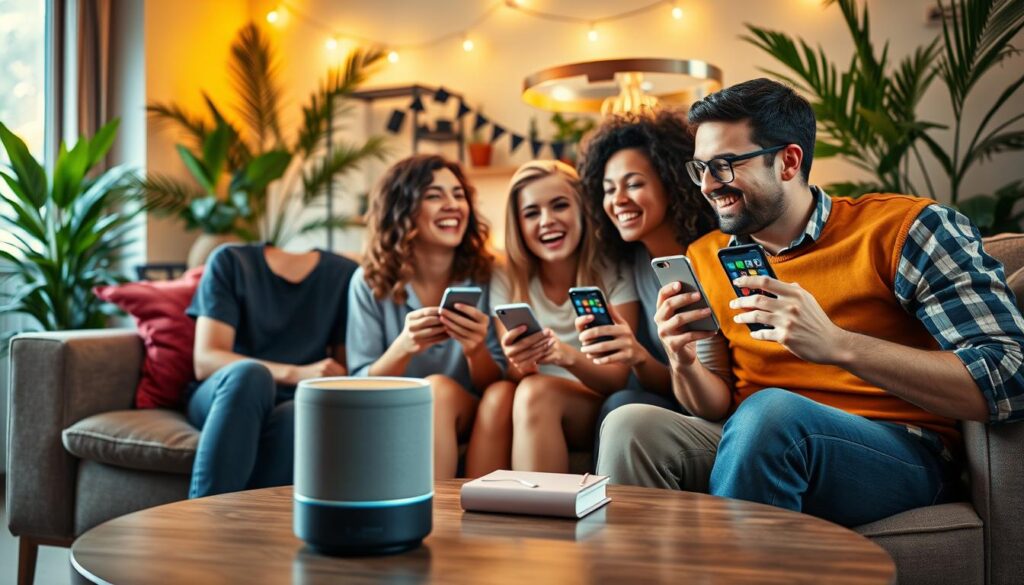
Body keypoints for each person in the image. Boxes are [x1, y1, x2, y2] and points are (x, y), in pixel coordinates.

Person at [597, 77, 1024, 526]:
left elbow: (1009, 376)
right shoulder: (705, 257)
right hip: (753, 443)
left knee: (770, 414)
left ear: (788, 161)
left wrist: (837, 344)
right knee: (630, 426)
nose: (707, 185)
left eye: (723, 165)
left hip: (899, 451)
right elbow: (714, 404)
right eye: (699, 168)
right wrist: (681, 360)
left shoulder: (905, 229)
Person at [347, 154, 506, 479]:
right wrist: (403, 347)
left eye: (458, 194)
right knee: (429, 391)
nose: (452, 205)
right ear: (402, 210)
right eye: (435, 195)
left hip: (470, 410)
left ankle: (437, 516)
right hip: (393, 412)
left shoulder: (489, 275)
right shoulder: (369, 282)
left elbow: (498, 383)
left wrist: (476, 349)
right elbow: (358, 386)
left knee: (436, 390)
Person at [575, 110, 717, 456]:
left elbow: (706, 388)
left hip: (715, 407)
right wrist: (636, 357)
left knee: (623, 405)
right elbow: (666, 383)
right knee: (620, 402)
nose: (618, 200)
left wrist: (639, 357)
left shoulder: (711, 256)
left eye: (634, 184)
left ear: (672, 184)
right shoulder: (633, 261)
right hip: (669, 399)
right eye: (609, 190)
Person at [484, 160, 641, 473]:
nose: (547, 221)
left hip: (593, 404)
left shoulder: (610, 269)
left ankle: (541, 517)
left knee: (535, 391)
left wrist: (565, 356)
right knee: (500, 393)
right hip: (530, 403)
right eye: (531, 213)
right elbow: (515, 375)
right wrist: (522, 363)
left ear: (582, 208)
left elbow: (615, 379)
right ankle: (474, 509)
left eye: (560, 206)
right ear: (518, 224)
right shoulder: (505, 275)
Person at [187, 243, 358, 498]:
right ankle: (205, 516)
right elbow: (206, 360)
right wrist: (295, 373)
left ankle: (255, 529)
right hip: (228, 395)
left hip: (292, 402)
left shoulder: (344, 274)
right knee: (250, 375)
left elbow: (344, 371)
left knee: (300, 414)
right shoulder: (230, 261)